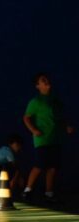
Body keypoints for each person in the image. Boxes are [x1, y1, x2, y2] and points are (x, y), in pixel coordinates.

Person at [21, 72, 74, 203]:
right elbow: (26, 117)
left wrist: (67, 126)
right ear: (37, 86)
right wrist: (33, 130)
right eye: (43, 81)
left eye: (47, 80)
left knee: (53, 166)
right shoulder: (35, 101)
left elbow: (60, 118)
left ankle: (49, 192)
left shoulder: (56, 100)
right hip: (42, 138)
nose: (46, 82)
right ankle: (28, 190)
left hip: (56, 137)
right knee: (40, 164)